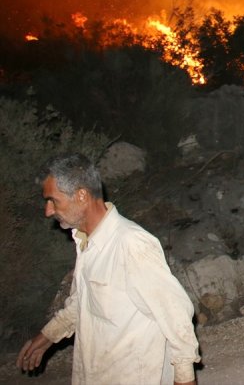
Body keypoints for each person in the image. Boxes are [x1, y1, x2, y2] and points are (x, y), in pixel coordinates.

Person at [16, 153, 201, 384]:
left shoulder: (130, 243)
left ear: (81, 195)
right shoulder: (86, 242)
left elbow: (175, 314)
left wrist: (184, 379)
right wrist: (46, 337)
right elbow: (83, 301)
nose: (48, 211)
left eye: (53, 200)